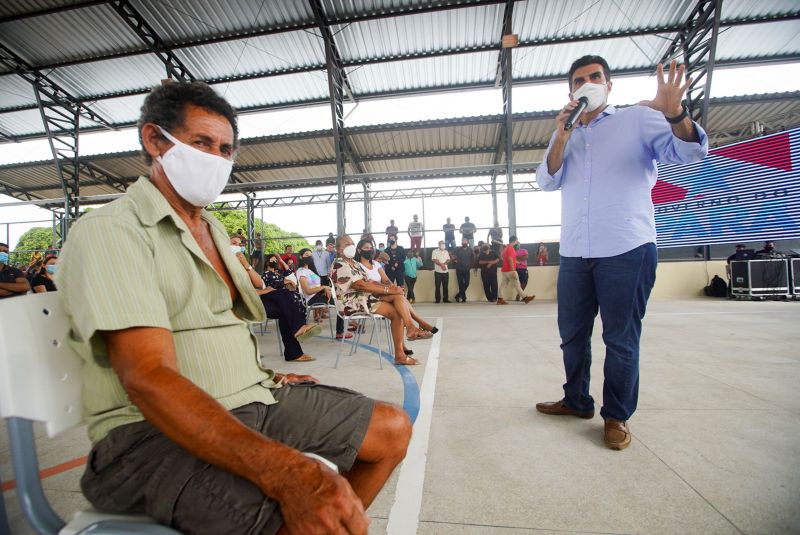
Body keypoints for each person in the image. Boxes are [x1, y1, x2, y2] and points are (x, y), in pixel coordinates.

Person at [56, 81, 411, 534]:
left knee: (391, 429)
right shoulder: (113, 231)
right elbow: (147, 377)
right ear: (154, 140)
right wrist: (287, 472)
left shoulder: (214, 233)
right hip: (149, 436)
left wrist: (265, 375)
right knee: (301, 500)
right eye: (201, 143)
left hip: (252, 397)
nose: (216, 158)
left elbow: (216, 326)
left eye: (225, 149)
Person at [535, 56, 708, 450]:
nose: (588, 83)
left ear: (609, 86)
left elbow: (690, 153)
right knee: (572, 335)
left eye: (596, 77)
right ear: (571, 91)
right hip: (578, 250)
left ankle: (616, 416)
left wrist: (675, 112)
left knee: (621, 338)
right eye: (580, 79)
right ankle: (577, 400)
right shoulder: (566, 130)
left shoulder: (639, 119)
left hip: (627, 247)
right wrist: (561, 135)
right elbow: (547, 180)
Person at [332, 235, 437, 365]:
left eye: (352, 243)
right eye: (347, 244)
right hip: (353, 303)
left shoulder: (353, 263)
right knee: (396, 310)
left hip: (365, 297)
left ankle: (410, 331)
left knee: (398, 296)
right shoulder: (339, 264)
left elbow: (370, 281)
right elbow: (360, 285)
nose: (351, 246)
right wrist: (389, 290)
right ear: (338, 249)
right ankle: (407, 339)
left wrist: (392, 288)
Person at [250, 248, 323, 363]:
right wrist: (268, 289)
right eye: (272, 260)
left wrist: (280, 259)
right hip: (266, 299)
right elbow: (256, 288)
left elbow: (289, 272)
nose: (274, 262)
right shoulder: (265, 274)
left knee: (287, 310)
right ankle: (299, 327)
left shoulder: (278, 272)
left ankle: (293, 354)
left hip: (280, 300)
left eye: (276, 260)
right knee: (285, 294)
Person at [296, 249, 350, 342]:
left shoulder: (310, 270)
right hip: (311, 299)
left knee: (341, 298)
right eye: (306, 255)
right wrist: (324, 287)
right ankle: (340, 332)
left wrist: (325, 290)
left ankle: (341, 330)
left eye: (310, 255)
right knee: (341, 301)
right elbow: (308, 291)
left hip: (318, 296)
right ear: (301, 257)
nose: (309, 257)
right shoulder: (301, 271)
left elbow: (317, 287)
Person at [497, 236, 535, 305]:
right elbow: (510, 259)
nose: (517, 242)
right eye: (517, 241)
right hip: (509, 270)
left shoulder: (506, 248)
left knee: (503, 285)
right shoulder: (510, 249)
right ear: (514, 241)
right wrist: (513, 271)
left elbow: (510, 259)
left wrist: (519, 263)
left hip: (505, 270)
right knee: (517, 284)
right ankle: (525, 297)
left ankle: (500, 299)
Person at [452, 238, 473, 303]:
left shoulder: (470, 249)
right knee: (460, 284)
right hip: (459, 269)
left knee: (467, 283)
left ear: (467, 242)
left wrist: (471, 266)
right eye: (463, 241)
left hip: (467, 269)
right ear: (461, 242)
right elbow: (452, 256)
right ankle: (463, 298)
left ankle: (458, 295)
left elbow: (472, 257)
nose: (464, 242)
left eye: (465, 241)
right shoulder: (457, 249)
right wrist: (455, 260)